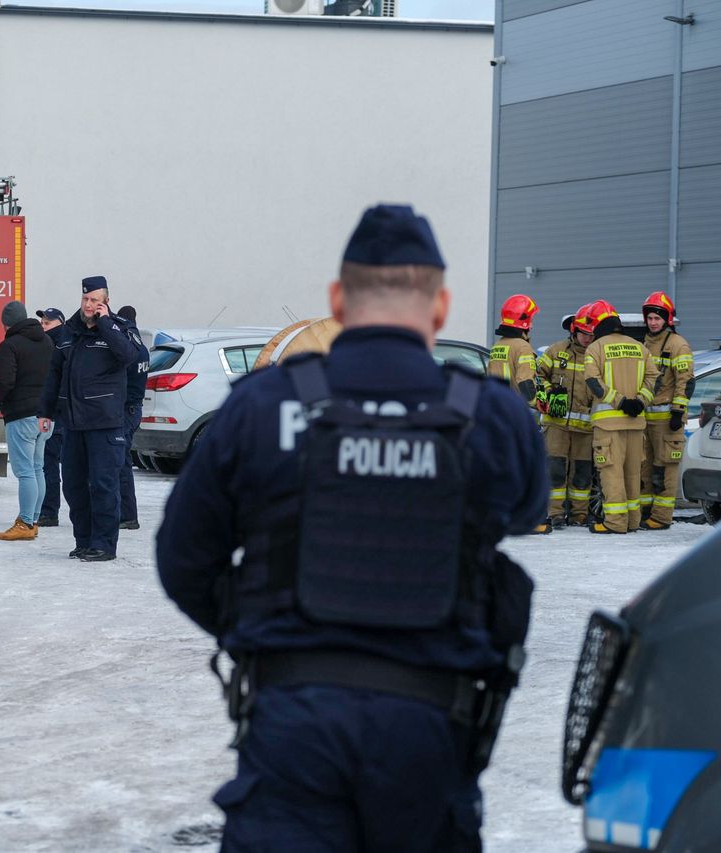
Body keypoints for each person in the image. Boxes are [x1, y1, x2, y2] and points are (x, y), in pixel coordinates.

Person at [157, 204, 546, 850]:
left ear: (338, 299)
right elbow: (527, 512)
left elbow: (182, 560)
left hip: (294, 725)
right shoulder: (494, 417)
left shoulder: (263, 404)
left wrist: (262, 623)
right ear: (441, 307)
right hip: (431, 730)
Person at [38, 277, 139, 562]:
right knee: (73, 485)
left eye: (95, 300)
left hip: (105, 423)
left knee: (104, 484)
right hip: (73, 423)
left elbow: (129, 356)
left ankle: (104, 545)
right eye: (86, 299)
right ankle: (84, 540)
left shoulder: (118, 328)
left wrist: (106, 324)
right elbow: (53, 375)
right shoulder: (69, 331)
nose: (89, 304)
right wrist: (45, 411)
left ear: (105, 301)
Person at [581, 300, 658, 534]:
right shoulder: (639, 347)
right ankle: (632, 521)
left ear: (596, 325)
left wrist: (620, 401)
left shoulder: (595, 348)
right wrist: (640, 402)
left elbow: (594, 383)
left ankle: (614, 523)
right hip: (636, 423)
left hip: (608, 425)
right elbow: (654, 379)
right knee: (633, 473)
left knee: (611, 472)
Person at [0, 300, 56, 540]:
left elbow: (5, 381)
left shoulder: (9, 345)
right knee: (37, 467)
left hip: (22, 415)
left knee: (25, 471)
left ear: (6, 323)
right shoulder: (47, 341)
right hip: (46, 416)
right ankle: (34, 519)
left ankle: (26, 522)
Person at [535, 307, 596, 529]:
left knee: (582, 472)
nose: (588, 338)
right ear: (574, 330)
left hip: (586, 426)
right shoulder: (556, 351)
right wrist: (551, 393)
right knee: (556, 469)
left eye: (592, 334)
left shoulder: (597, 354)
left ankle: (579, 515)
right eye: (584, 333)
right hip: (556, 424)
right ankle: (556, 514)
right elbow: (538, 376)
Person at [638, 291, 693, 530]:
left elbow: (686, 380)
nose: (653, 322)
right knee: (645, 469)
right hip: (645, 419)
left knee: (665, 470)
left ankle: (661, 517)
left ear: (667, 319)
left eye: (657, 318)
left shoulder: (677, 344)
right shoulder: (644, 343)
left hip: (667, 420)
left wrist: (677, 411)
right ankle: (646, 512)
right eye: (650, 318)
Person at [115, 304, 150, 530]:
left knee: (121, 464)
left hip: (126, 410)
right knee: (122, 462)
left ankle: (128, 515)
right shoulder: (143, 348)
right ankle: (126, 513)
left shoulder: (129, 347)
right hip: (135, 408)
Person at [35, 308, 70, 527]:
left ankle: (49, 512)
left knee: (50, 464)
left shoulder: (60, 344)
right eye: (42, 323)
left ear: (60, 323)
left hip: (60, 415)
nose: (43, 327)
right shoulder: (52, 343)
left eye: (47, 323)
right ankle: (49, 511)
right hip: (56, 413)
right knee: (51, 464)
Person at [489, 294, 540, 405]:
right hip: (514, 407)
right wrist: (538, 403)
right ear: (523, 320)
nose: (532, 326)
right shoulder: (523, 347)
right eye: (531, 320)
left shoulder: (497, 345)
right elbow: (525, 382)